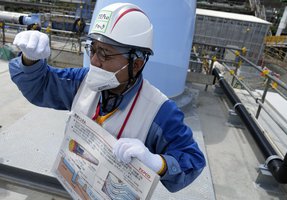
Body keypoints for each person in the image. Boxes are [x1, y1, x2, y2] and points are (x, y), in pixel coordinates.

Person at [9, 3, 206, 193]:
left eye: (105, 54)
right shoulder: (82, 81)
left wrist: (159, 163)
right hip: (76, 185)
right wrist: (30, 60)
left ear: (136, 64)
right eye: (93, 49)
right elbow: (41, 86)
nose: (94, 61)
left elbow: (193, 160)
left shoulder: (159, 110)